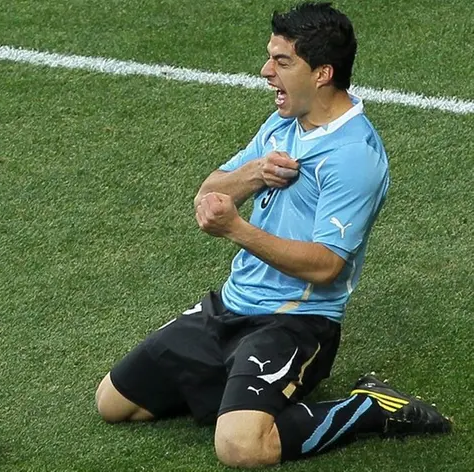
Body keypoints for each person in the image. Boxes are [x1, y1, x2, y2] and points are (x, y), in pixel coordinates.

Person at [94, 2, 451, 467]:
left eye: (282, 62)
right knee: (115, 403)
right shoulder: (285, 121)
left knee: (241, 448)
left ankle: (369, 408)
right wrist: (255, 173)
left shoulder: (352, 156)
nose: (266, 72)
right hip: (229, 306)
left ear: (322, 73)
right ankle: (236, 384)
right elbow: (211, 189)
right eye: (270, 58)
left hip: (297, 323)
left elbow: (326, 266)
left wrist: (237, 230)